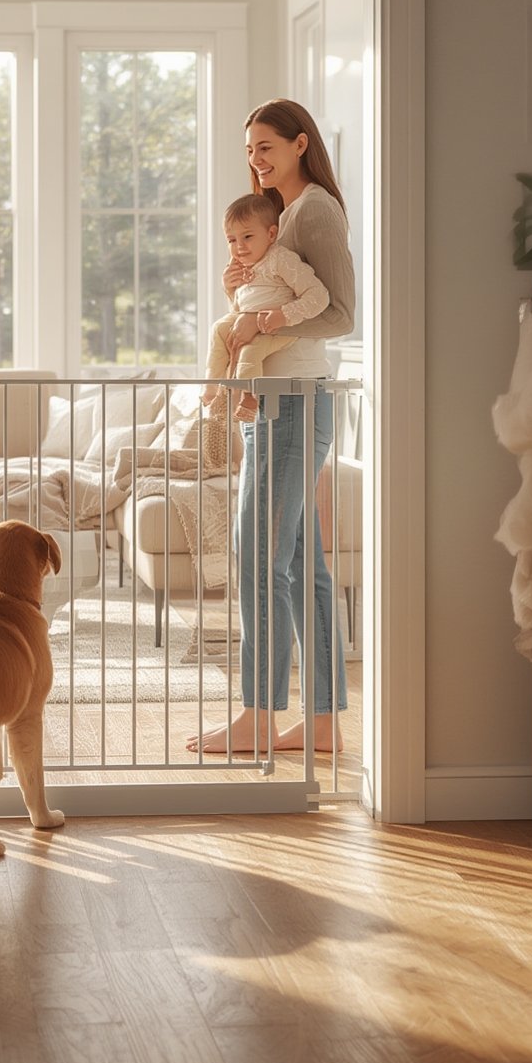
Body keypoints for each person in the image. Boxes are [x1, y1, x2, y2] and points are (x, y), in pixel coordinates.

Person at [188, 98, 355, 755]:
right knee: (302, 564)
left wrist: (263, 325)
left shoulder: (314, 209)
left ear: (301, 144)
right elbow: (277, 296)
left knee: (256, 551)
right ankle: (321, 725)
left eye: (267, 147)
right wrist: (240, 291)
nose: (256, 160)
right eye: (249, 149)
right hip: (274, 397)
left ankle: (258, 716)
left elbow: (340, 314)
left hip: (292, 398)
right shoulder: (280, 215)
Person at [202, 191, 329, 422]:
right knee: (218, 329)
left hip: (278, 326)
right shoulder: (240, 266)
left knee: (251, 350)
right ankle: (212, 385)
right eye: (231, 240)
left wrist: (284, 315)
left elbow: (319, 296)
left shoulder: (281, 259)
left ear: (271, 234)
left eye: (247, 236)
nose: (239, 246)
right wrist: (230, 289)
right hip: (252, 321)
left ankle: (250, 397)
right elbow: (240, 309)